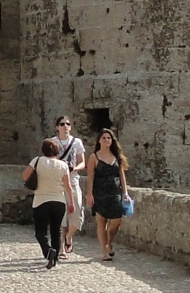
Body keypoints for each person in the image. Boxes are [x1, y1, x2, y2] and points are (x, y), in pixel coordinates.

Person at [22, 139, 75, 269]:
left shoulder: (37, 161)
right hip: (59, 201)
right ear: (57, 151)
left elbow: (25, 175)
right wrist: (71, 203)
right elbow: (68, 186)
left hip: (41, 201)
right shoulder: (63, 165)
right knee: (56, 231)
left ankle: (48, 251)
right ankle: (55, 258)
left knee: (40, 232)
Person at [85, 128, 130, 261]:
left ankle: (109, 242)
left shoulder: (117, 156)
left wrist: (125, 193)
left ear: (112, 141)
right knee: (101, 221)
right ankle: (105, 250)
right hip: (100, 193)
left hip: (115, 192)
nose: (106, 140)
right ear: (99, 140)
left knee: (117, 221)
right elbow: (90, 176)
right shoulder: (94, 157)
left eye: (109, 138)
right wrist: (89, 195)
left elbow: (122, 176)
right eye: (104, 138)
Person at [52, 115, 86, 256]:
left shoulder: (77, 142)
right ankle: (60, 248)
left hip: (73, 180)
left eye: (67, 123)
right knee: (60, 214)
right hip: (58, 182)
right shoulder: (52, 142)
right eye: (62, 124)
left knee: (77, 211)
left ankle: (69, 236)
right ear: (57, 127)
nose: (65, 126)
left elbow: (82, 162)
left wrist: (75, 168)